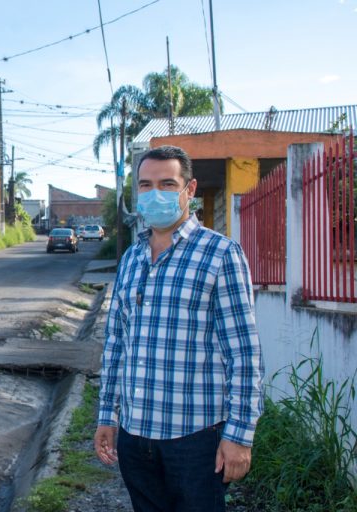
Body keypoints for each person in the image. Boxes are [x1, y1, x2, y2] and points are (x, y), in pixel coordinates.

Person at [94, 146, 264, 512]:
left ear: (189, 190)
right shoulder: (131, 259)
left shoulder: (220, 254)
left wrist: (239, 436)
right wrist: (107, 416)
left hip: (195, 439)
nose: (155, 194)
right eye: (145, 185)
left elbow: (244, 353)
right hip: (135, 435)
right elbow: (116, 344)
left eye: (167, 184)